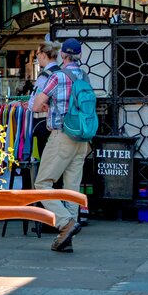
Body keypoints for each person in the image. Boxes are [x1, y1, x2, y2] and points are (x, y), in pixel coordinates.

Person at [29, 38, 89, 253]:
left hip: (62, 136)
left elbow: (36, 106)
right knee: (71, 189)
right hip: (82, 139)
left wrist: (46, 103)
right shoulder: (84, 76)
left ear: (63, 55)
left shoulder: (57, 76)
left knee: (42, 184)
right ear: (79, 56)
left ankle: (65, 223)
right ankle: (66, 238)